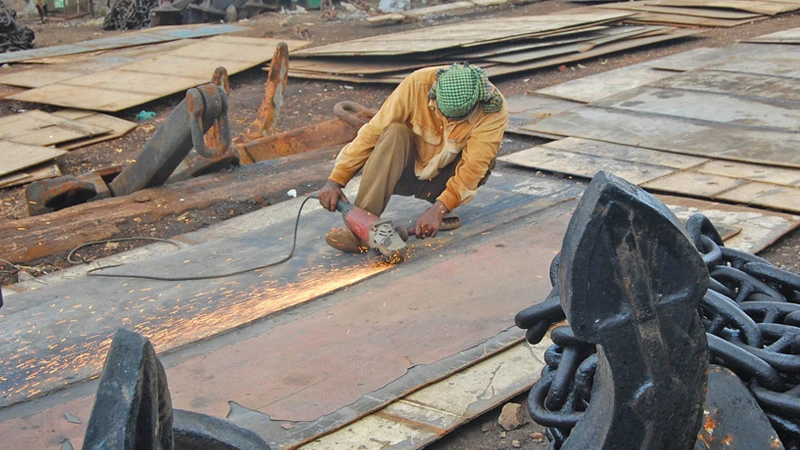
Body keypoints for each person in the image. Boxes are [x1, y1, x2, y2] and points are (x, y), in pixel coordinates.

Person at [317, 62, 508, 253]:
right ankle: (364, 229)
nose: (449, 122)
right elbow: (373, 132)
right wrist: (336, 179)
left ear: (476, 103)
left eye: (457, 119)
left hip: (441, 182)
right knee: (394, 132)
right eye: (445, 115)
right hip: (403, 174)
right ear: (435, 93)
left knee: (485, 162)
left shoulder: (493, 110)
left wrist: (439, 209)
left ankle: (438, 207)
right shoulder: (417, 85)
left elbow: (473, 170)